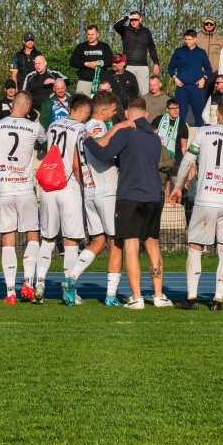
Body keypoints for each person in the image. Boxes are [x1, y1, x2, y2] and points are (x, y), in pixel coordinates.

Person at [82, 98, 173, 310]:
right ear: (146, 115)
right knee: (152, 245)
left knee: (131, 247)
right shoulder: (154, 138)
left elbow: (104, 153)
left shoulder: (125, 132)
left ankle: (136, 297)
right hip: (152, 195)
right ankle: (159, 295)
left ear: (127, 116)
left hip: (130, 196)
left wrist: (88, 139)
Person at [169, 95, 223, 311]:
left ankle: (191, 298)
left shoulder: (204, 132)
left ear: (216, 113)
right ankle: (217, 300)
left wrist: (178, 186)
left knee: (196, 246)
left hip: (207, 196)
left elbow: (188, 159)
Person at [63, 91, 125, 306]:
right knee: (117, 242)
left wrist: (85, 183)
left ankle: (71, 278)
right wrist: (118, 129)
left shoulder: (81, 130)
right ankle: (110, 295)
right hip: (106, 190)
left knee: (98, 242)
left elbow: (73, 161)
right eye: (113, 110)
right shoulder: (97, 127)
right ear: (102, 110)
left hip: (89, 191)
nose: (115, 113)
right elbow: (101, 146)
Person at [0, 91, 46, 303]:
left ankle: (10, 292)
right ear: (28, 107)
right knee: (32, 234)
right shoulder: (33, 126)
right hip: (25, 189)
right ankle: (28, 284)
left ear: (12, 103)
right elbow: (45, 140)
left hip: (5, 189)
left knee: (8, 238)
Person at [36, 94, 91, 305]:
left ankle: (39, 283)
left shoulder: (54, 125)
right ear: (85, 110)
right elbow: (77, 163)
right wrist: (84, 185)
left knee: (47, 239)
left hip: (50, 185)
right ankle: (69, 291)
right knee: (70, 240)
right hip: (69, 187)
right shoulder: (80, 129)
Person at [168, 29, 213, 127]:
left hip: (196, 88)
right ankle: (178, 138)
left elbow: (209, 69)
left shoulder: (201, 52)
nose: (187, 42)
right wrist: (175, 78)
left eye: (190, 39)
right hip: (182, 87)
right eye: (186, 39)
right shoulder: (179, 51)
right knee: (180, 116)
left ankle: (200, 138)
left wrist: (204, 78)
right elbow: (170, 67)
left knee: (199, 116)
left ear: (195, 39)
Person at [152, 98, 189, 199]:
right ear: (167, 109)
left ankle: (177, 203)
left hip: (176, 155)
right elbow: (152, 136)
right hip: (161, 154)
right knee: (165, 181)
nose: (175, 110)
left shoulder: (182, 125)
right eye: (172, 108)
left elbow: (184, 146)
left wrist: (186, 160)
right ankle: (166, 203)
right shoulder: (158, 120)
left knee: (176, 180)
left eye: (177, 108)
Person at [113, 11, 160, 90]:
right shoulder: (124, 30)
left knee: (144, 93)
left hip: (143, 66)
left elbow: (152, 48)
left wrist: (156, 63)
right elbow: (116, 26)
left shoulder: (146, 32)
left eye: (136, 19)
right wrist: (127, 17)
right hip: (128, 66)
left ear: (140, 20)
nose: (133, 22)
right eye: (132, 20)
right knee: (126, 91)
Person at [70, 25, 114, 96]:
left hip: (101, 82)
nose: (90, 36)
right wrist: (85, 63)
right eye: (88, 34)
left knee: (101, 105)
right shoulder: (81, 47)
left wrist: (99, 63)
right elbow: (73, 62)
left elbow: (111, 61)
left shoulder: (104, 46)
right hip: (84, 80)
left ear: (97, 34)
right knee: (81, 103)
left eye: (92, 34)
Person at [195, 16, 223, 81]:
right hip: (198, 71)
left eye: (211, 24)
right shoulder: (196, 37)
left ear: (215, 25)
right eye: (207, 24)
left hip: (214, 72)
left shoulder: (221, 39)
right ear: (203, 24)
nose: (209, 26)